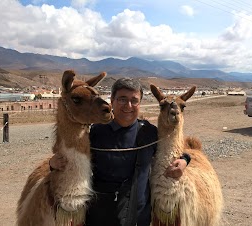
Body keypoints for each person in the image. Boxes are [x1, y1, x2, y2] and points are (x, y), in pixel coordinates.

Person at [49, 77, 190, 226]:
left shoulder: (149, 133)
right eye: (122, 99)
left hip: (139, 218)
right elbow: (72, 161)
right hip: (100, 218)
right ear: (112, 101)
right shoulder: (95, 133)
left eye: (134, 100)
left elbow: (171, 150)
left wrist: (185, 160)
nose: (128, 106)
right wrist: (52, 164)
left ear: (139, 103)